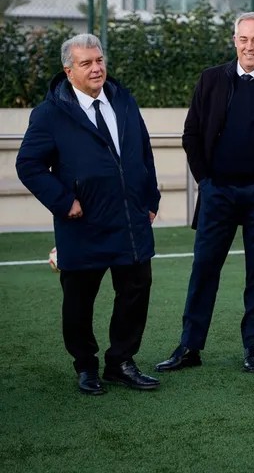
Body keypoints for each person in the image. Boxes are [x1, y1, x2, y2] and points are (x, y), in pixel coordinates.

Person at [155, 12, 254, 374]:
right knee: (203, 269)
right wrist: (205, 182)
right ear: (234, 41)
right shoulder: (211, 79)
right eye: (243, 39)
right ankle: (190, 346)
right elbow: (191, 134)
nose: (249, 46)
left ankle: (252, 345)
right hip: (218, 192)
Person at [16, 34, 161, 396]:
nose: (96, 68)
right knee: (79, 301)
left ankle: (121, 362)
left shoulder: (123, 99)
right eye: (86, 63)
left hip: (130, 219)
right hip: (82, 223)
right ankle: (85, 366)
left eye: (99, 60)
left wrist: (151, 197)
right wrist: (64, 201)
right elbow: (28, 164)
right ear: (69, 71)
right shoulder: (49, 113)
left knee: (136, 291)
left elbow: (143, 150)